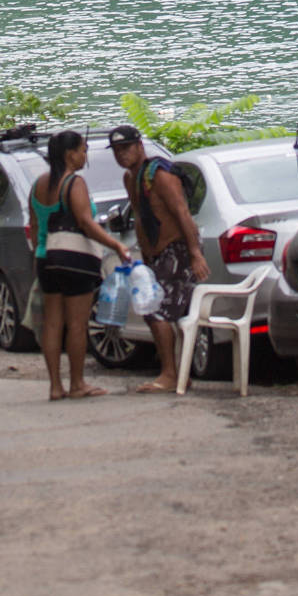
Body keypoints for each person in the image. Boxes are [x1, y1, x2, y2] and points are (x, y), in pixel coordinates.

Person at [27, 131, 127, 401]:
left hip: (45, 258)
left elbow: (35, 228)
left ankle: (55, 386)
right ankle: (77, 383)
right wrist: (116, 245)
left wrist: (41, 252)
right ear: (69, 154)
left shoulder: (38, 185)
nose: (85, 155)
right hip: (74, 259)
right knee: (77, 324)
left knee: (52, 323)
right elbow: (85, 222)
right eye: (83, 150)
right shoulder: (74, 183)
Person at [109, 123, 209, 394]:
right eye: (117, 151)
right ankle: (175, 372)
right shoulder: (131, 179)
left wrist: (195, 254)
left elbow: (182, 213)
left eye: (126, 148)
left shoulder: (161, 175)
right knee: (152, 308)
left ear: (140, 146)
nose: (122, 155)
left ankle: (169, 374)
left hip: (175, 250)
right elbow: (140, 218)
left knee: (157, 310)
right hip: (153, 254)